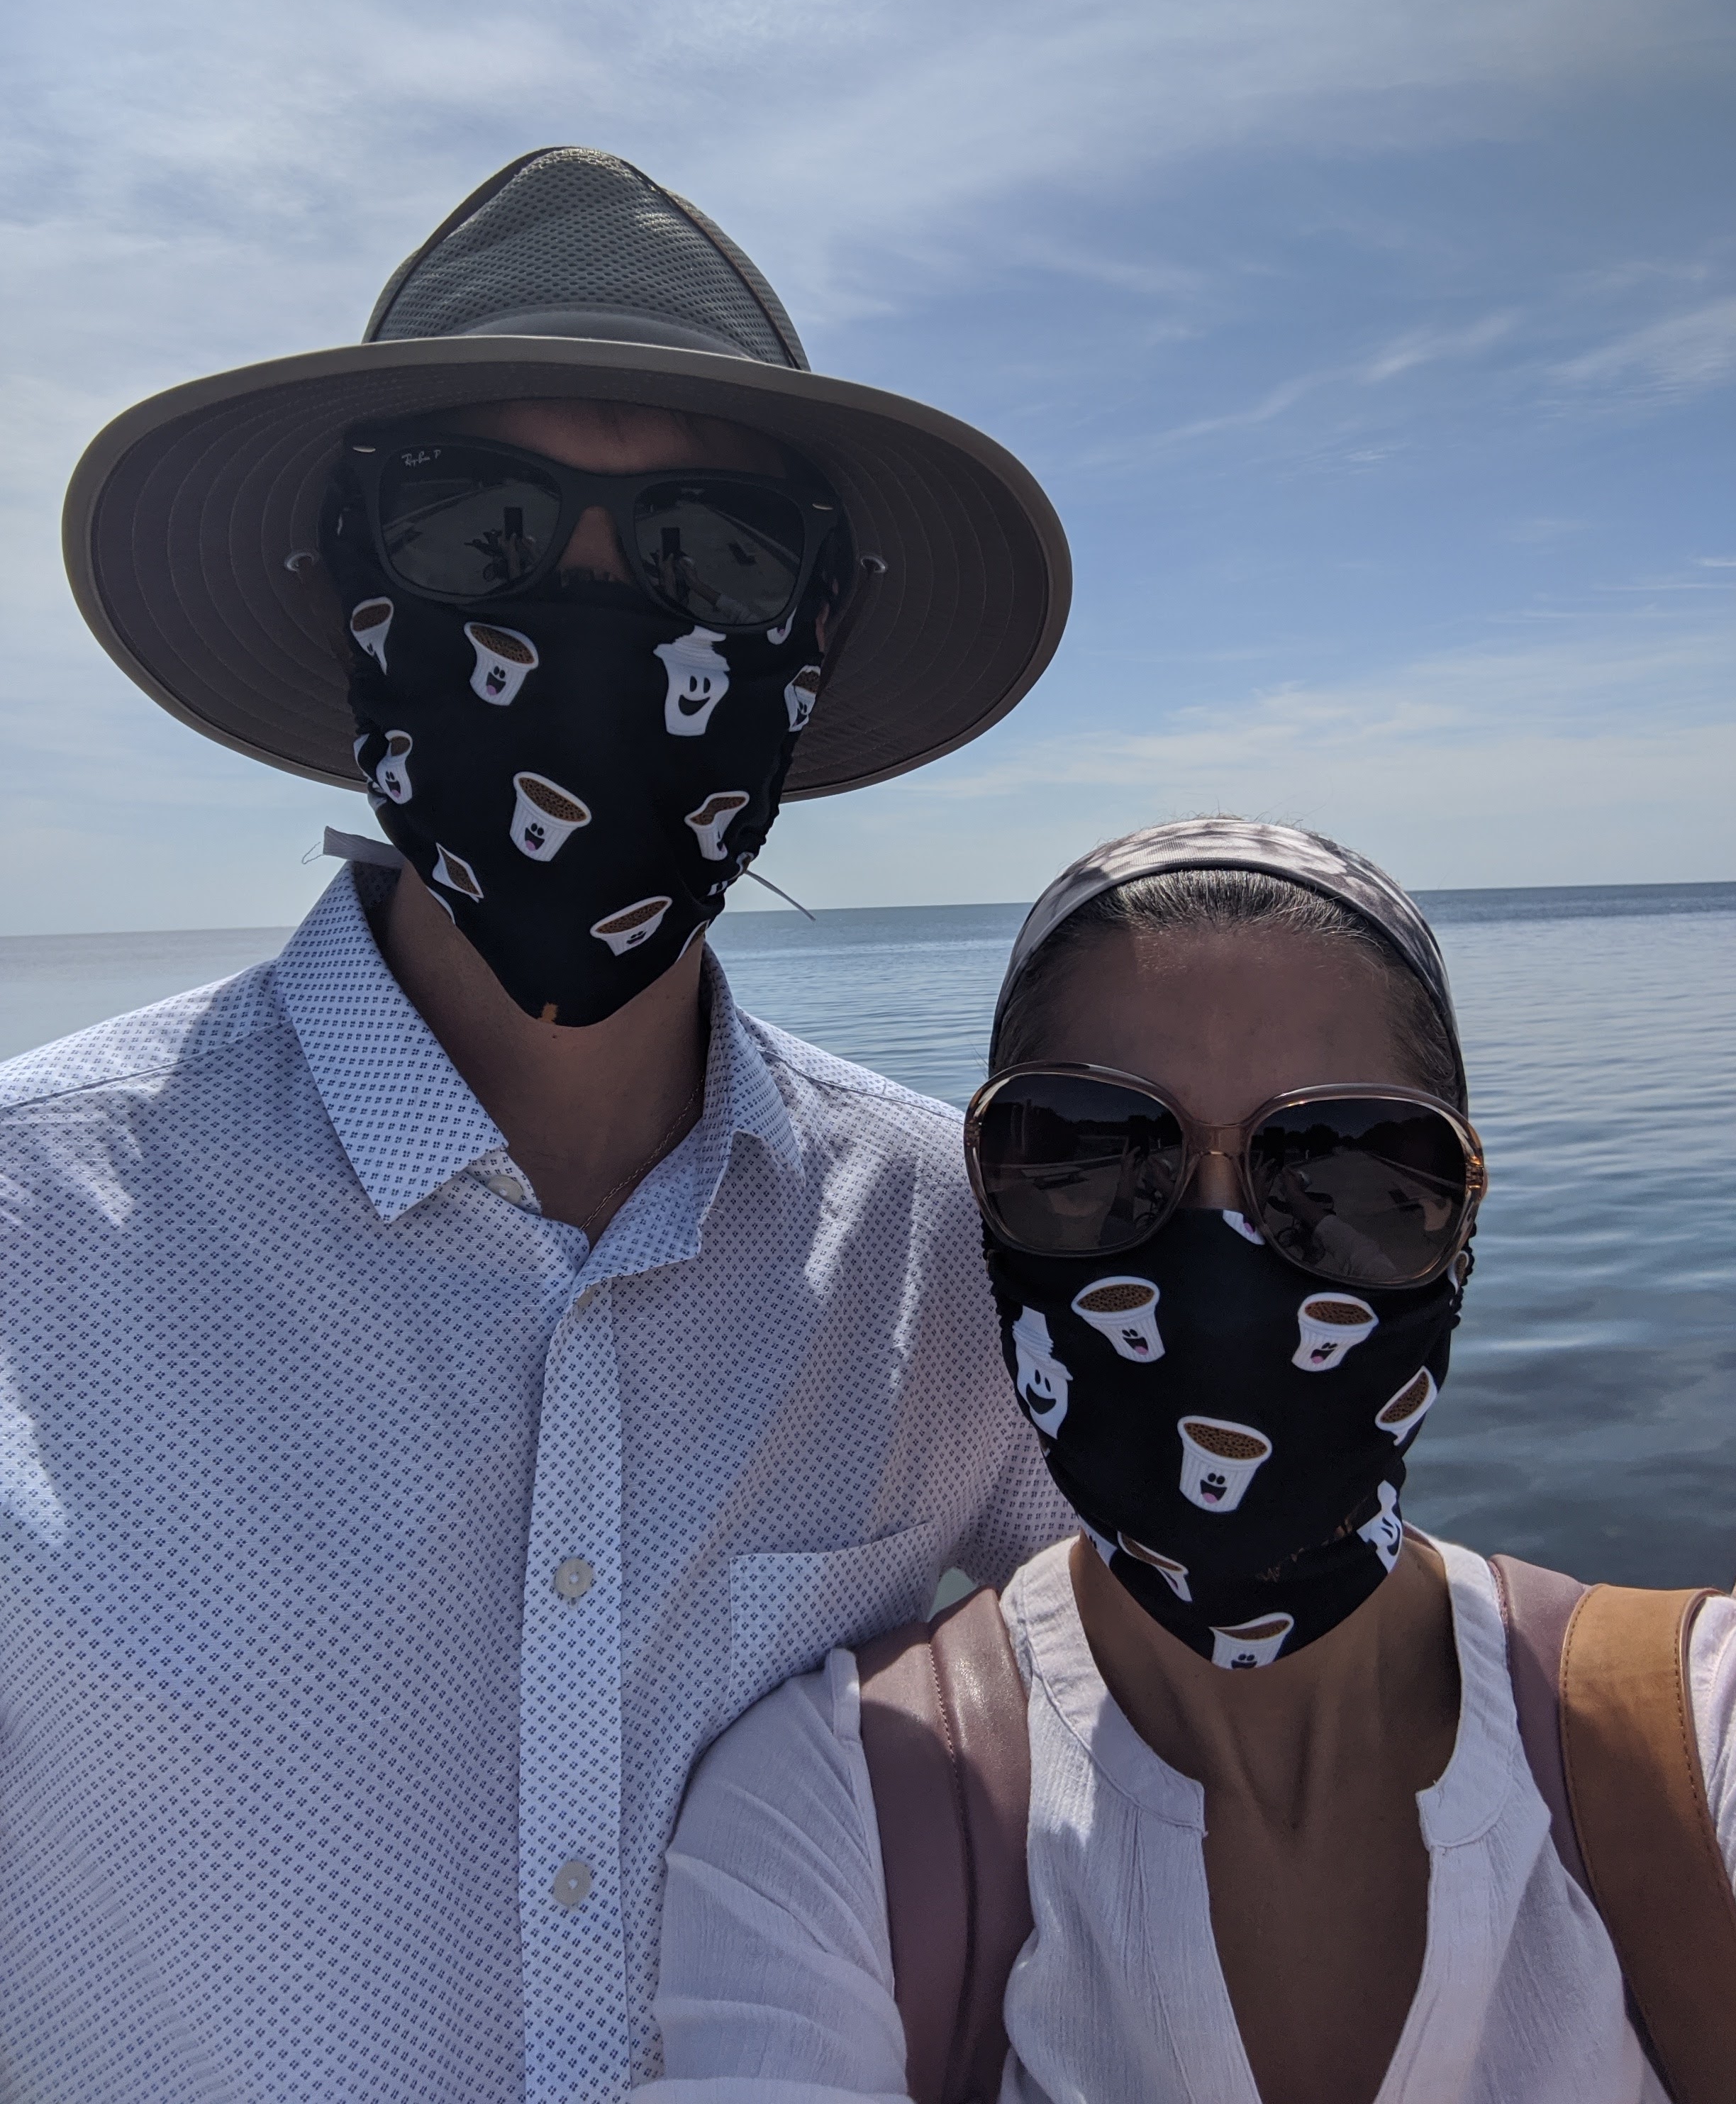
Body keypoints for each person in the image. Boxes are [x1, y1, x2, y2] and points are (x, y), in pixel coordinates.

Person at [0, 147, 1077, 2103]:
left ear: (808, 640)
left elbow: (1204, 1722)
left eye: (711, 554)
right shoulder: (26, 1227)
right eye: (474, 524)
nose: (590, 615)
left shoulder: (949, 1243)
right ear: (349, 589)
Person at [647, 818, 1736, 2104]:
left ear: (1459, 1217)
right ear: (987, 1214)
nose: (1221, 1284)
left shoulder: (1698, 1736)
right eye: (1093, 1154)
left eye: (1346, 1170)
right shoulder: (829, 1808)